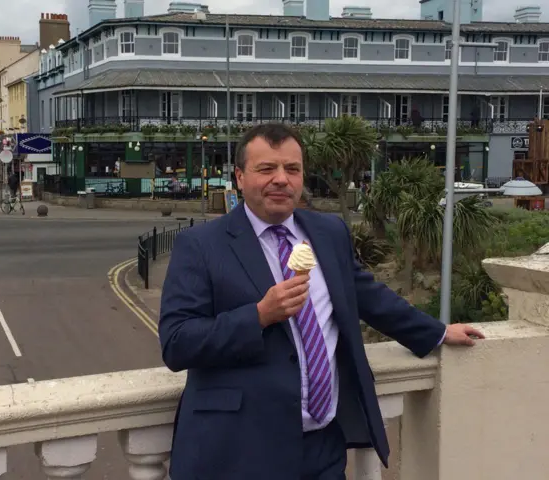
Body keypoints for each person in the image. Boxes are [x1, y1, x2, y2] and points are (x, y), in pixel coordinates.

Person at [159, 123, 485, 480]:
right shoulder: (201, 245)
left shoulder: (328, 233)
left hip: (322, 447)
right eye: (267, 168)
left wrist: (436, 333)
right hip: (240, 451)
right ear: (239, 176)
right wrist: (259, 316)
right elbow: (177, 342)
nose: (281, 179)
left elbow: (367, 296)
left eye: (292, 169)